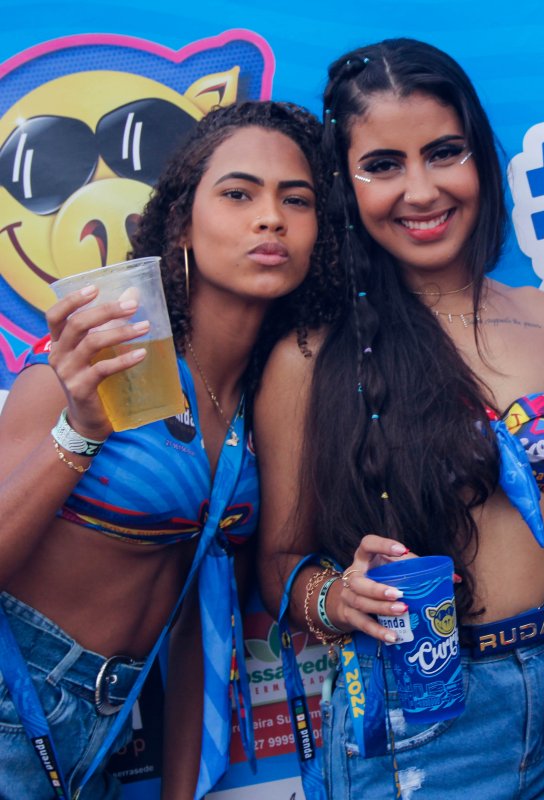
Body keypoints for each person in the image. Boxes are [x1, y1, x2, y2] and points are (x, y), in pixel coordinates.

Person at [255, 38, 544, 799]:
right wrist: (335, 598)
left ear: (479, 157)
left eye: (444, 153)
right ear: (344, 184)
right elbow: (277, 563)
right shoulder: (308, 358)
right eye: (383, 165)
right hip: (419, 721)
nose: (421, 190)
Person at [0, 100, 338, 799]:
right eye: (238, 194)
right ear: (182, 223)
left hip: (101, 732)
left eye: (296, 200)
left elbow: (199, 615)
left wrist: (181, 790)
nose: (270, 218)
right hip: (15, 701)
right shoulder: (105, 354)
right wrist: (83, 429)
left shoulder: (264, 402)